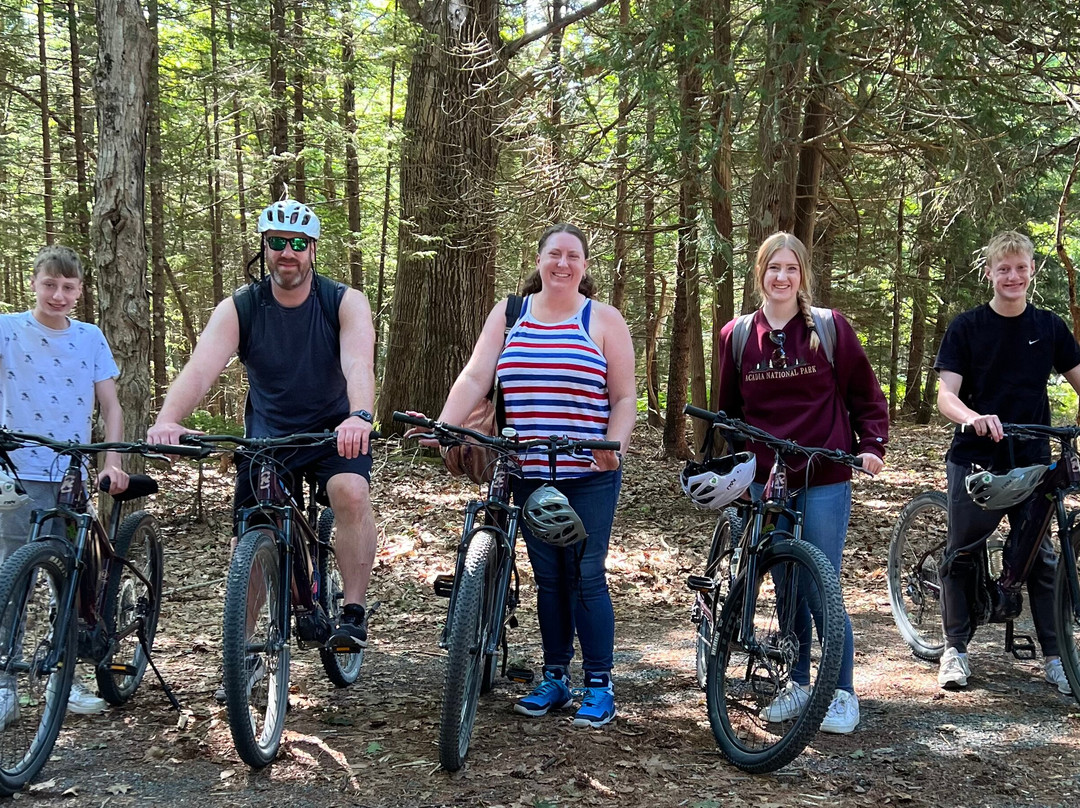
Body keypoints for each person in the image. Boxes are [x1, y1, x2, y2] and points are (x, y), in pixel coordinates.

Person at [409, 223, 635, 728]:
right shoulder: (510, 314)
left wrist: (614, 445)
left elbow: (623, 398)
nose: (563, 263)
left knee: (586, 574)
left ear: (584, 266)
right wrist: (445, 426)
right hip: (528, 469)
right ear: (538, 260)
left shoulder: (603, 320)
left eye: (573, 256)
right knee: (550, 579)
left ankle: (600, 684)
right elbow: (475, 375)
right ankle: (555, 676)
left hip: (587, 470)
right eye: (554, 253)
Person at [148, 200, 379, 690]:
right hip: (268, 439)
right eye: (277, 243)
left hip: (334, 431)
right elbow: (201, 368)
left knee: (350, 494)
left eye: (298, 244)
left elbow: (359, 363)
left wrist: (359, 415)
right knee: (253, 533)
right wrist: (169, 419)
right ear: (265, 248)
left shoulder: (342, 301)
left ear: (312, 250)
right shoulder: (242, 307)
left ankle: (353, 611)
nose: (287, 253)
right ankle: (245, 652)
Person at [714, 232, 888, 735]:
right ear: (760, 274)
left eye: (791, 268)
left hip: (824, 473)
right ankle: (797, 682)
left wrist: (872, 445)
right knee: (786, 583)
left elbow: (867, 395)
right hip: (765, 480)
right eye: (773, 268)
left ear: (802, 275)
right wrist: (736, 465)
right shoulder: (738, 335)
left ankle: (841, 692)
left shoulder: (830, 329)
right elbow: (728, 410)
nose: (782, 277)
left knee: (820, 585)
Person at [934, 230, 1080, 695]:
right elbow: (946, 397)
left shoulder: (1050, 327)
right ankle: (954, 650)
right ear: (990, 274)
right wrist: (974, 418)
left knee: (1041, 556)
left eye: (1020, 268)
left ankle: (1058, 658)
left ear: (1032, 270)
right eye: (1004, 269)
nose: (1012, 276)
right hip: (977, 457)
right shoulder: (967, 327)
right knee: (963, 550)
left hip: (1033, 454)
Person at [0, 245, 130, 717]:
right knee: (14, 576)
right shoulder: (7, 328)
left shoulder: (91, 337)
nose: (58, 295)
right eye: (49, 284)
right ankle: (5, 683)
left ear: (80, 291)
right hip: (17, 472)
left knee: (71, 580)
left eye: (68, 287)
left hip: (72, 474)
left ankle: (64, 677)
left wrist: (110, 462)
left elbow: (111, 406)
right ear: (33, 282)